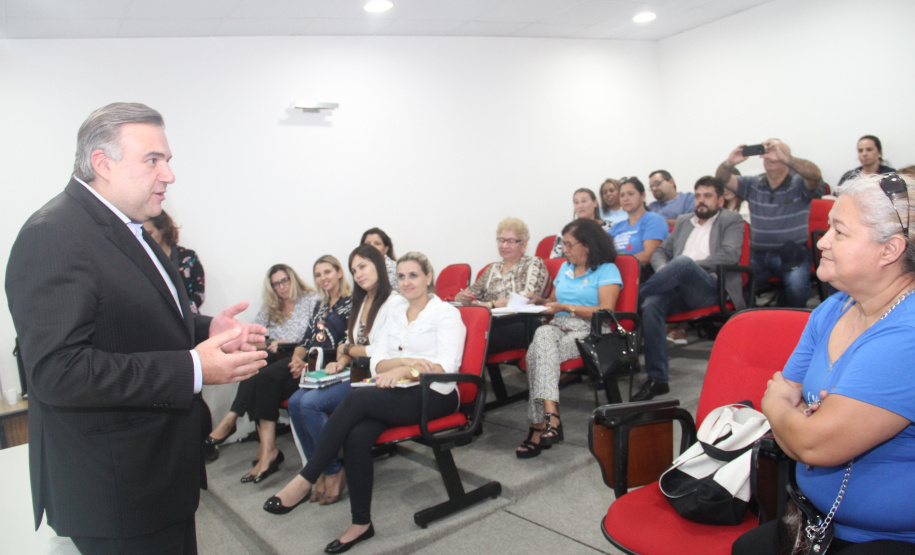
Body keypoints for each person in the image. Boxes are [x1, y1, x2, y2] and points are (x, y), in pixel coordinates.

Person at [4, 102, 267, 552]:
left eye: (168, 160)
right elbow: (58, 372)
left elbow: (132, 319)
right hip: (117, 491)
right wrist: (193, 368)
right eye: (152, 160)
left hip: (154, 477)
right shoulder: (54, 234)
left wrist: (206, 330)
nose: (169, 175)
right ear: (102, 163)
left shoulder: (125, 225)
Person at [732, 173, 915, 554]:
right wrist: (797, 418)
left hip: (890, 538)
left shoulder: (907, 334)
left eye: (840, 232)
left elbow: (812, 443)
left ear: (890, 250)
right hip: (815, 519)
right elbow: (789, 396)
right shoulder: (835, 307)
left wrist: (780, 408)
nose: (822, 241)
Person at [262, 252, 465, 554]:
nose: (407, 282)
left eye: (413, 275)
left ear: (428, 277)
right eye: (402, 276)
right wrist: (404, 364)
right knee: (357, 436)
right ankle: (361, 523)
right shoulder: (397, 313)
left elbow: (446, 366)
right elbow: (377, 361)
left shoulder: (445, 314)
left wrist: (405, 370)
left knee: (357, 397)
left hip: (436, 394)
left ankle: (307, 477)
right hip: (399, 389)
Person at [285, 245, 394, 506]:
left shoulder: (393, 302)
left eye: (363, 266)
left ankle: (333, 470)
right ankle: (320, 469)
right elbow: (350, 341)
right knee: (295, 402)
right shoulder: (361, 301)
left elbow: (380, 350)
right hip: (354, 370)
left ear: (378, 265)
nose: (359, 274)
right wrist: (341, 360)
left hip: (373, 375)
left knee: (310, 404)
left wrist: (347, 351)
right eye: (354, 270)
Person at [240, 255, 353, 484]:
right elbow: (306, 340)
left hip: (332, 364)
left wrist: (308, 361)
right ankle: (275, 453)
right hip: (310, 363)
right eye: (318, 274)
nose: (323, 278)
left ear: (339, 272)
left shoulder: (351, 303)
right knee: (261, 381)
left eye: (327, 272)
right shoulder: (321, 305)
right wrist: (297, 359)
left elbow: (349, 343)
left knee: (267, 379)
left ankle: (273, 453)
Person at [632, 177, 745, 402]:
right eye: (698, 196)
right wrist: (665, 270)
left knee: (683, 262)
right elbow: (660, 252)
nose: (701, 201)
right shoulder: (684, 221)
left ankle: (629, 303)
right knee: (651, 304)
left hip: (710, 287)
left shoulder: (731, 219)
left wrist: (688, 267)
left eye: (708, 196)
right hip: (677, 287)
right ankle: (657, 379)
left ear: (720, 200)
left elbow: (729, 254)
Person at [517, 219, 622, 459]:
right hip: (559, 327)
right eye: (563, 244)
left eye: (569, 244)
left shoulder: (607, 270)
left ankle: (539, 424)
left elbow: (605, 310)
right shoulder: (565, 268)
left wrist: (567, 307)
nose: (564, 250)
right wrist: (540, 301)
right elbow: (553, 301)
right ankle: (551, 416)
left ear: (587, 244)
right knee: (543, 335)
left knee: (537, 353)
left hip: (592, 331)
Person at [205, 264, 319, 449]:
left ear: (293, 279)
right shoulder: (271, 307)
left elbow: (314, 336)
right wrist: (271, 342)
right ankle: (241, 424)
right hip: (275, 357)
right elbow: (252, 338)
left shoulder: (311, 300)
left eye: (285, 280)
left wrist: (286, 342)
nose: (282, 287)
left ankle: (233, 416)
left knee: (260, 369)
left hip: (300, 355)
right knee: (255, 361)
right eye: (276, 284)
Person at [715, 138, 823, 308]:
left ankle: (792, 321)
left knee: (796, 286)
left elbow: (815, 175)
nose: (770, 156)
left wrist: (787, 158)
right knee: (734, 281)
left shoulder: (798, 184)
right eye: (766, 153)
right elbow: (721, 180)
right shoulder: (753, 184)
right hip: (758, 255)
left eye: (775, 152)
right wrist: (730, 162)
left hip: (791, 253)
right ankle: (749, 319)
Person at [454, 217, 549, 352]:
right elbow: (470, 293)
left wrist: (489, 304)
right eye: (501, 240)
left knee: (472, 336)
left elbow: (527, 298)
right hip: (492, 322)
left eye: (511, 241)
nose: (504, 246)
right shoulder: (492, 268)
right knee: (458, 330)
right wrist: (463, 297)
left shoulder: (534, 264)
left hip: (522, 323)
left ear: (523, 245)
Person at [143, 210, 206, 314]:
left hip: (187, 320)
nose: (144, 239)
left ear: (163, 229)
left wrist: (176, 312)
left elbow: (199, 294)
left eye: (149, 233)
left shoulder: (188, 257)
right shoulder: (141, 260)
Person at [609, 177, 669, 277]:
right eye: (622, 195)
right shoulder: (616, 227)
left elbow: (649, 255)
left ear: (643, 196)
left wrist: (617, 263)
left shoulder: (653, 220)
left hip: (644, 276)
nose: (625, 198)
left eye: (630, 194)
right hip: (616, 276)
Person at [551, 188, 611, 258]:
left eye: (584, 201)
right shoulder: (566, 231)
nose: (580, 206)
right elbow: (555, 259)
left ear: (595, 203)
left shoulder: (610, 228)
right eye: (576, 202)